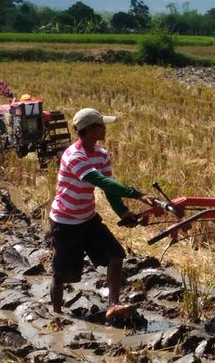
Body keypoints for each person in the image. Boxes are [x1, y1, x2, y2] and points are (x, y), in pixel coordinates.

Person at [49, 107, 153, 321]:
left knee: (116, 255)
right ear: (89, 129)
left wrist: (123, 212)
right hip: (65, 221)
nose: (105, 129)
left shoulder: (102, 155)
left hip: (88, 218)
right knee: (62, 274)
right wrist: (137, 194)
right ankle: (57, 315)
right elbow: (99, 181)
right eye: (101, 125)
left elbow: (109, 189)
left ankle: (113, 306)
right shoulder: (73, 155)